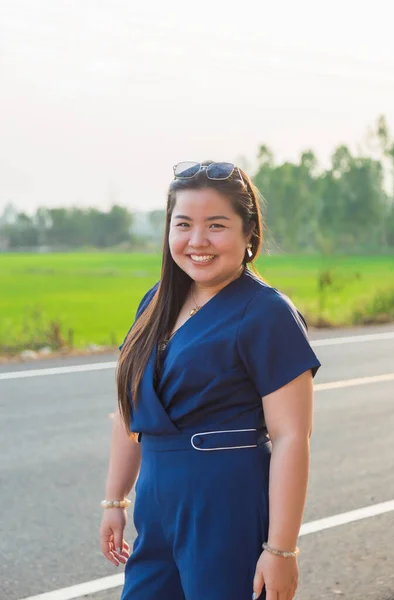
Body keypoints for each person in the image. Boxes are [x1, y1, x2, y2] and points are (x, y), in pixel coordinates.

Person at [100, 160, 321, 600]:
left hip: (225, 502)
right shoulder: (155, 303)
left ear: (248, 233)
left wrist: (281, 550)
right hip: (157, 504)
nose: (197, 241)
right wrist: (115, 500)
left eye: (216, 225)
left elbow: (292, 436)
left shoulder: (266, 312)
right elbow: (130, 410)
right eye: (183, 224)